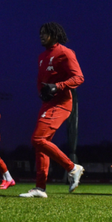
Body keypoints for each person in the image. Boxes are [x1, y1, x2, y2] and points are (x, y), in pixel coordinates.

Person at [20, 22, 85, 198]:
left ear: (55, 35)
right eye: (40, 33)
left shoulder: (65, 52)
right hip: (47, 104)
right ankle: (40, 189)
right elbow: (42, 80)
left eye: (45, 33)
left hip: (62, 104)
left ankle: (73, 168)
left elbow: (79, 77)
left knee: (38, 139)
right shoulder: (42, 56)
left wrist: (57, 86)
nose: (41, 36)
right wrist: (42, 93)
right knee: (41, 145)